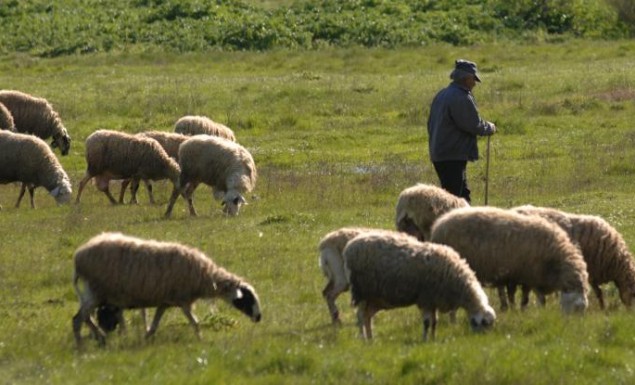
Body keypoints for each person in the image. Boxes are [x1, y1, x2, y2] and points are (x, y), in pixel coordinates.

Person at [427, 59, 496, 204]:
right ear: (466, 78)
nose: (474, 83)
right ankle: (457, 224)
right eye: (473, 79)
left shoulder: (442, 94)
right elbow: (472, 124)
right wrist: (489, 128)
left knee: (455, 194)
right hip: (452, 154)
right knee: (457, 198)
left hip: (440, 153)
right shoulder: (460, 97)